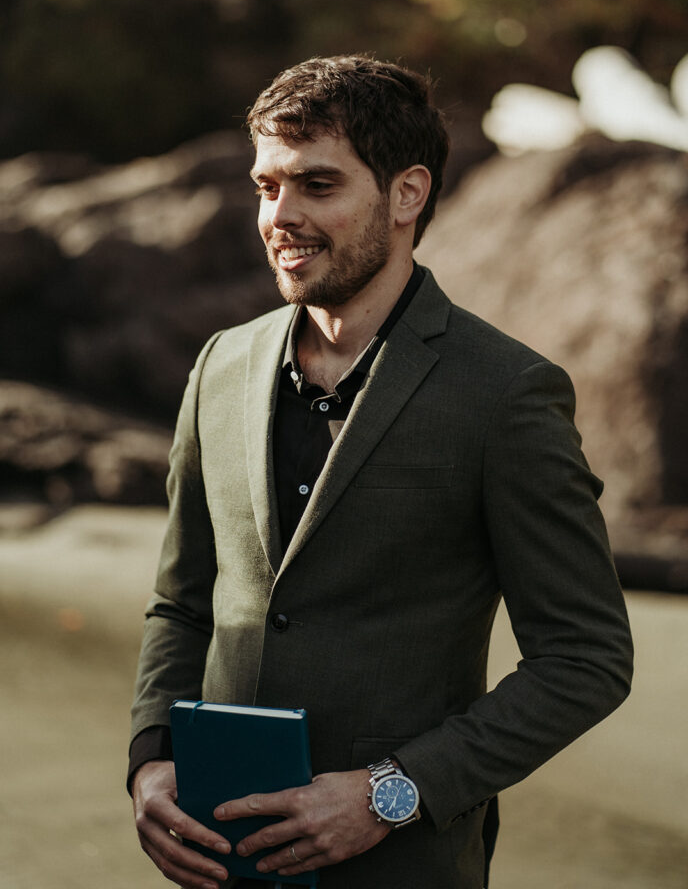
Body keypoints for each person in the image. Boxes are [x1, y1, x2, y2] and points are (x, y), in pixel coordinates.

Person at [129, 55, 633, 889]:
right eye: (267, 186)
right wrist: (150, 760)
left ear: (407, 194)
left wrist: (391, 794)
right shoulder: (221, 363)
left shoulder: (506, 393)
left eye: (317, 185)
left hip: (406, 866)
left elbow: (585, 658)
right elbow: (182, 602)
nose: (278, 217)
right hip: (218, 861)